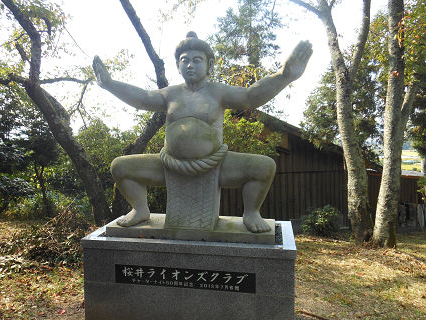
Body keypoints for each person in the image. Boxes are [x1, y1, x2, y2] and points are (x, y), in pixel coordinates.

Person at [93, 32, 312, 233]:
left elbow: (251, 96)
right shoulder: (171, 94)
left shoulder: (219, 92)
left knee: (264, 167)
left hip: (216, 164)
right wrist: (110, 84)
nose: (190, 65)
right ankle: (140, 209)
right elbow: (141, 98)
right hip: (170, 165)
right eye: (184, 60)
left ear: (209, 64)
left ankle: (251, 212)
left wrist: (284, 76)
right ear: (177, 66)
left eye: (197, 60)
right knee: (120, 167)